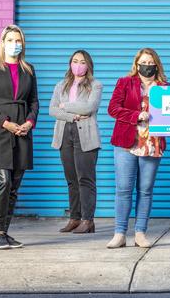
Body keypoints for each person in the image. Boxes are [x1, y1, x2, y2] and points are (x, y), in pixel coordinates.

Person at [0, 25, 39, 250]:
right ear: (3, 42)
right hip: (0, 131)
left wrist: (28, 123)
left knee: (14, 185)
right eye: (11, 39)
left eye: (19, 40)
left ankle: (5, 231)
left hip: (22, 131)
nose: (15, 43)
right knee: (3, 181)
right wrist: (5, 123)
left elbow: (34, 102)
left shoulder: (29, 69)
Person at [106, 48, 168, 249]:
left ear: (156, 65)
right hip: (127, 142)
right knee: (123, 189)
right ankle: (119, 233)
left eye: (151, 63)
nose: (147, 66)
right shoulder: (125, 82)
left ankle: (140, 232)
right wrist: (136, 115)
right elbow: (113, 108)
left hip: (152, 144)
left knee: (145, 190)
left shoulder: (165, 87)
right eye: (143, 62)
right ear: (136, 63)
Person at [49, 50, 102, 234]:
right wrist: (73, 115)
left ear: (88, 65)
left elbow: (89, 107)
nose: (78, 65)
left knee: (85, 179)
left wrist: (65, 107)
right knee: (71, 179)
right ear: (70, 63)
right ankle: (75, 218)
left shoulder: (95, 85)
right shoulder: (60, 85)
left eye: (82, 62)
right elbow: (52, 110)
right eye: (74, 61)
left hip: (86, 135)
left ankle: (88, 221)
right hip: (65, 133)